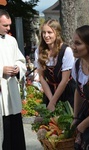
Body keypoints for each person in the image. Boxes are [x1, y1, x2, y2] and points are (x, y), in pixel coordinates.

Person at [34, 19, 75, 111]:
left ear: (57, 33)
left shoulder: (66, 51)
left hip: (66, 91)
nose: (46, 36)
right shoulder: (39, 51)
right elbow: (42, 78)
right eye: (44, 32)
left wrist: (53, 101)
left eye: (49, 32)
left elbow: (64, 80)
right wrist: (51, 99)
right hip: (50, 91)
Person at [0, 9, 27, 150]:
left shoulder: (11, 41)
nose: (9, 28)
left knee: (15, 133)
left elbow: (21, 61)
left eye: (9, 25)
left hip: (11, 91)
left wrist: (18, 68)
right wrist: (1, 70)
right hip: (1, 94)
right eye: (5, 25)